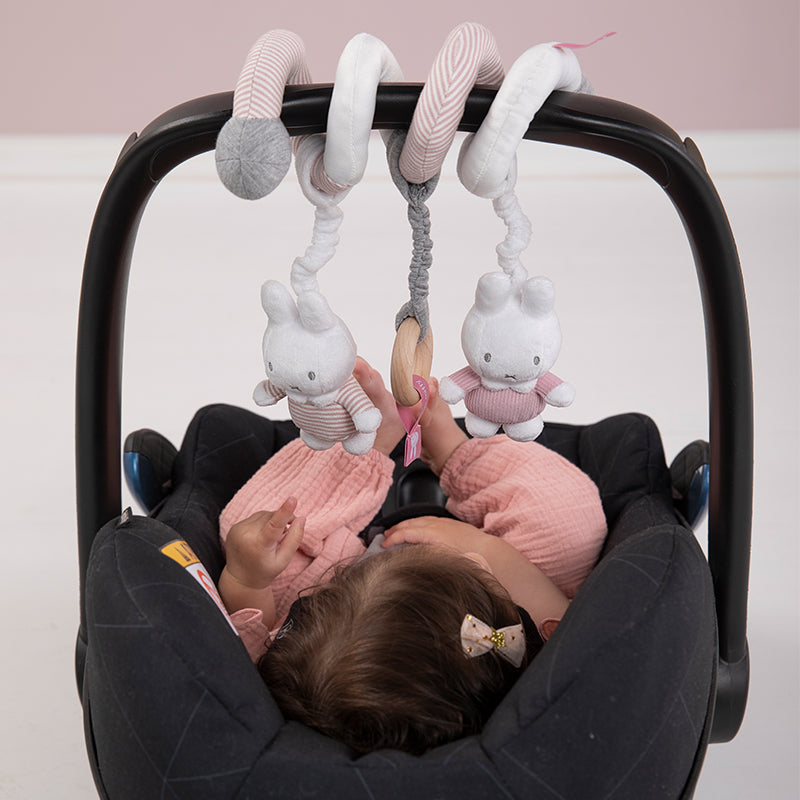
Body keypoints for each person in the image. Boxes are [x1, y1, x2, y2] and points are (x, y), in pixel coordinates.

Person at [217, 358, 607, 755]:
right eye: (477, 572)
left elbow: (257, 638)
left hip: (351, 566)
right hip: (511, 570)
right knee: (567, 526)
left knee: (245, 531)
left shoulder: (304, 664)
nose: (474, 561)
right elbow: (556, 611)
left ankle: (367, 443)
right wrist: (481, 547)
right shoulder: (527, 650)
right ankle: (455, 452)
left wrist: (247, 580)